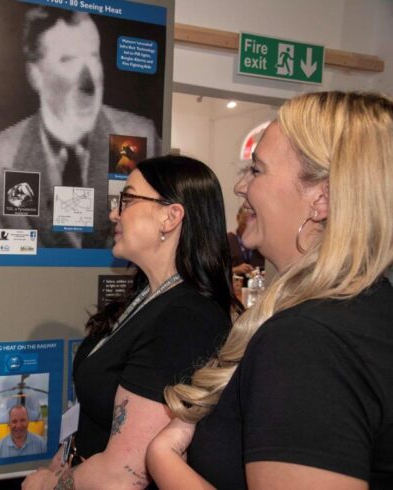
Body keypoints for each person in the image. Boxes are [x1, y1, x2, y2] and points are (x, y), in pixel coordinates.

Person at [147, 92, 393, 489]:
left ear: (322, 198)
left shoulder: (309, 340)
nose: (241, 186)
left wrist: (162, 459)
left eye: (257, 170)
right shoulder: (367, 309)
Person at [22, 155, 239, 489]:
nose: (114, 213)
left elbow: (122, 476)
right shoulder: (146, 297)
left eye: (127, 199)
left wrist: (46, 486)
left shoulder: (186, 320)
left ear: (171, 216)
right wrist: (60, 465)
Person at [0, 7, 160, 249]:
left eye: (93, 56)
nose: (90, 80)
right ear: (35, 75)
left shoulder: (142, 137)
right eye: (68, 59)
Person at [227, 207, 265, 279]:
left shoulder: (260, 241)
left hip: (258, 287)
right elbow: (217, 272)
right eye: (245, 222)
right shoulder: (227, 240)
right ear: (238, 218)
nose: (248, 226)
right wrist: (236, 269)